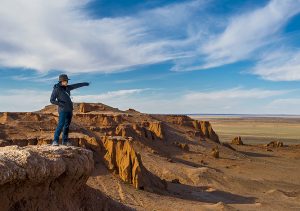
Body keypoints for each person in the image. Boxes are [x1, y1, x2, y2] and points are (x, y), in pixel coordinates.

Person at [50, 74, 90, 146]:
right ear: (61, 81)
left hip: (69, 110)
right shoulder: (56, 89)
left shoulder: (67, 88)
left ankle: (64, 141)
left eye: (67, 81)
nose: (67, 82)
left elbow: (76, 85)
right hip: (62, 110)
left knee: (67, 126)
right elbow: (52, 100)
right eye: (66, 81)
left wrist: (85, 84)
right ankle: (55, 141)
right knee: (60, 125)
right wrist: (60, 104)